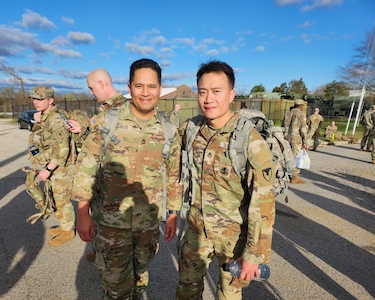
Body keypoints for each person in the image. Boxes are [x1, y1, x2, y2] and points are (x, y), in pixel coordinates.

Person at [71, 58, 181, 299]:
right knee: (115, 289)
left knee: (140, 280)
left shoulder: (168, 130)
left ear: (160, 89)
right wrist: (82, 213)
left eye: (151, 86)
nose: (145, 93)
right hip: (112, 226)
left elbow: (174, 175)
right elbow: (87, 167)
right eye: (139, 86)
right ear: (129, 87)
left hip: (147, 227)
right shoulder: (107, 122)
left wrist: (172, 213)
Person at [174, 60, 275, 299]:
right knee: (186, 292)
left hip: (234, 241)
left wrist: (253, 255)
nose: (208, 98)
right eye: (202, 91)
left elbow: (263, 205)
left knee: (228, 296)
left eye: (216, 91)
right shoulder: (191, 129)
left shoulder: (249, 141)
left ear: (231, 95)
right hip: (196, 232)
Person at [67, 68, 127, 262]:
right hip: (103, 191)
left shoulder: (119, 112)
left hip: (113, 194)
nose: (91, 93)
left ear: (101, 84)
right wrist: (83, 133)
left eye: (92, 88)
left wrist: (82, 210)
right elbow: (104, 144)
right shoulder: (107, 111)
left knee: (117, 255)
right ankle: (102, 248)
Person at [27, 86, 76, 246]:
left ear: (50, 100)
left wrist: (48, 170)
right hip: (53, 165)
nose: (36, 102)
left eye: (40, 99)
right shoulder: (46, 117)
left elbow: (63, 149)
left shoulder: (55, 120)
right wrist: (38, 121)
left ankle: (68, 231)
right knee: (54, 197)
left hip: (62, 167)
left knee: (62, 200)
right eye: (34, 98)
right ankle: (63, 226)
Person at [282, 99, 308, 184]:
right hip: (296, 138)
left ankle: (284, 174)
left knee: (286, 156)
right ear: (301, 106)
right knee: (296, 157)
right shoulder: (301, 114)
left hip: (286, 138)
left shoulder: (287, 114)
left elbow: (282, 126)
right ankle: (294, 177)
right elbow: (303, 129)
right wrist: (305, 141)